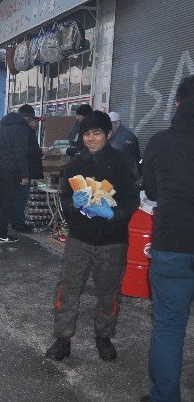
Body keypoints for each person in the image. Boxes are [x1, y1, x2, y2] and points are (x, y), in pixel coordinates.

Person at [45, 111, 139, 362]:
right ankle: (62, 338)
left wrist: (113, 213)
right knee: (68, 290)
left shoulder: (123, 162)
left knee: (109, 292)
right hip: (79, 239)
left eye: (97, 133)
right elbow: (65, 196)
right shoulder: (76, 163)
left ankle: (104, 336)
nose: (91, 138)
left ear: (108, 133)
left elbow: (132, 201)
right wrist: (72, 203)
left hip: (112, 240)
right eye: (86, 134)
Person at [142, 75, 194, 402]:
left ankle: (165, 396)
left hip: (173, 243)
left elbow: (149, 191)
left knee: (170, 328)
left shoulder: (160, 142)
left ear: (177, 104)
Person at [0, 106, 32, 243]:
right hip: (10, 170)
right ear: (28, 117)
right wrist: (24, 175)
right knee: (8, 203)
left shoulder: (2, 124)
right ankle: (2, 234)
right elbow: (20, 153)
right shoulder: (22, 128)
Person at [12, 105, 45, 233]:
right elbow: (24, 153)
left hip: (24, 171)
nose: (37, 124)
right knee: (21, 198)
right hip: (23, 172)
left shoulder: (29, 132)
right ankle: (18, 223)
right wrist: (41, 151)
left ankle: (16, 221)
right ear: (29, 120)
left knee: (20, 198)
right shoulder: (24, 132)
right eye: (36, 121)